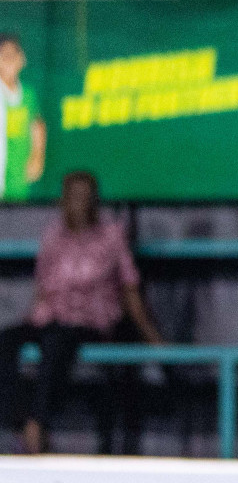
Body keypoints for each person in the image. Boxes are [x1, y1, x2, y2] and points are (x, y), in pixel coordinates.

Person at [0, 171, 163, 454]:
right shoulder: (53, 235)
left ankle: (38, 424)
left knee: (55, 341)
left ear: (95, 200)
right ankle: (18, 423)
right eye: (74, 196)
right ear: (62, 200)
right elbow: (43, 285)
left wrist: (152, 337)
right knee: (7, 340)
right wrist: (32, 320)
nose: (80, 203)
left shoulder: (111, 236)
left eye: (86, 197)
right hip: (50, 317)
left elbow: (129, 287)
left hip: (89, 321)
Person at [1, 33, 45, 202]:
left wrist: (37, 155)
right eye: (4, 56)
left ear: (22, 59)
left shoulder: (28, 95)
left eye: (13, 55)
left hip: (19, 176)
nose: (9, 60)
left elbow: (37, 124)